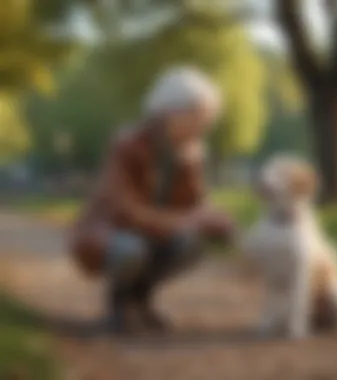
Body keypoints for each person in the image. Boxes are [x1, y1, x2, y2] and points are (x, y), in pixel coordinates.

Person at [70, 67, 235, 333]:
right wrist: (188, 219)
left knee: (193, 243)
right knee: (130, 249)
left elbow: (195, 204)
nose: (205, 126)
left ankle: (141, 300)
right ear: (173, 113)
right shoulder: (127, 145)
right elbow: (127, 212)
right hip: (112, 232)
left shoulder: (191, 152)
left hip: (155, 232)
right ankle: (119, 304)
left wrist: (215, 219)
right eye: (200, 117)